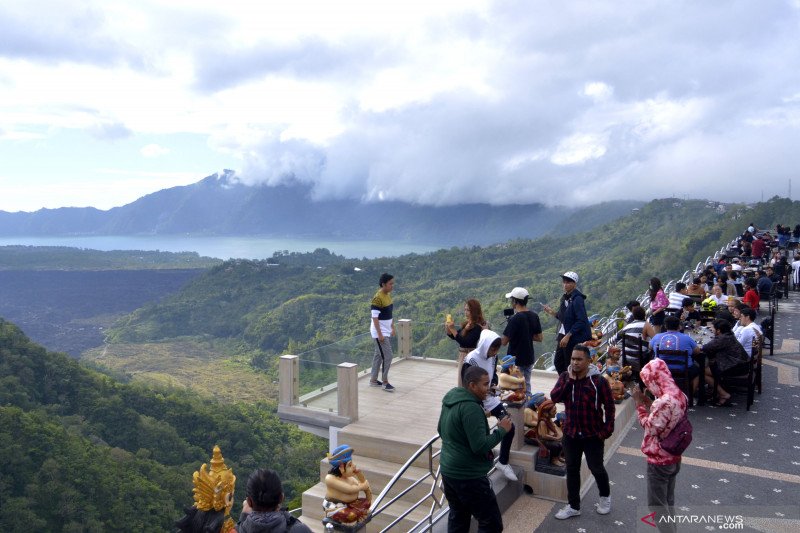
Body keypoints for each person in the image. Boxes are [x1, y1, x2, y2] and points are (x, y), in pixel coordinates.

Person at [438, 365, 513, 533]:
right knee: (491, 523)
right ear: (472, 385)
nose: (489, 388)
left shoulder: (451, 399)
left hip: (448, 471)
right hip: (468, 476)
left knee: (459, 516)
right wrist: (501, 430)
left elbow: (440, 430)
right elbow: (479, 446)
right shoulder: (471, 408)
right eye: (485, 384)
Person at [550, 345, 614, 520]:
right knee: (571, 469)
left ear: (588, 360)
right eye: (573, 359)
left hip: (592, 434)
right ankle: (573, 505)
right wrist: (570, 380)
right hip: (571, 433)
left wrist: (607, 430)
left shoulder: (599, 381)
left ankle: (605, 497)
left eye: (579, 359)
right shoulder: (565, 377)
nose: (575, 362)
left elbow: (609, 407)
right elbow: (555, 397)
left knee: (596, 468)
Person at [633, 358, 687, 533]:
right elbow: (666, 417)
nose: (648, 386)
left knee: (656, 507)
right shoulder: (679, 394)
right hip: (674, 457)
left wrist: (639, 406)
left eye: (648, 382)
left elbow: (651, 427)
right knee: (668, 502)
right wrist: (649, 403)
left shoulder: (663, 402)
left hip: (659, 460)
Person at [461, 329, 518, 481]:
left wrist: (493, 385)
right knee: (478, 433)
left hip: (490, 398)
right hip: (475, 400)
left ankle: (503, 462)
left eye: (497, 349)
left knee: (510, 426)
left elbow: (493, 376)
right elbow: (465, 383)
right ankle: (478, 465)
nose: (494, 352)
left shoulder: (493, 358)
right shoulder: (471, 359)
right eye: (493, 348)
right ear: (485, 345)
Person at [542, 271, 591, 375]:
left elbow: (581, 320)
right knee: (558, 362)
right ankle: (565, 383)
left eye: (568, 282)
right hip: (563, 335)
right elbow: (563, 317)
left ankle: (571, 385)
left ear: (574, 284)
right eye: (564, 282)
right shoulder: (565, 298)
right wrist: (551, 312)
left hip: (571, 337)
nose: (565, 284)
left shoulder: (577, 299)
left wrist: (568, 335)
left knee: (568, 363)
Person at [236, 469, 313, 533]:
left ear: (249, 502)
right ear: (281, 498)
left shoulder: (237, 530)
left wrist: (243, 517)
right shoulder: (300, 530)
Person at [500, 286, 543, 393]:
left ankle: (518, 408)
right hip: (529, 357)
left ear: (515, 301)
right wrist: (526, 333)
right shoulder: (534, 316)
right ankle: (527, 406)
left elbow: (504, 342)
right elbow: (539, 337)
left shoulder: (515, 319)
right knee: (526, 384)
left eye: (512, 300)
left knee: (515, 387)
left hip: (515, 360)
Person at [701, 319, 750, 407]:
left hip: (735, 367)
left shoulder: (723, 338)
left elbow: (706, 348)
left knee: (702, 371)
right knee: (709, 365)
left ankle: (723, 394)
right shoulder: (729, 335)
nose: (712, 329)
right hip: (740, 364)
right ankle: (713, 390)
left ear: (719, 330)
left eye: (713, 328)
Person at [649, 315, 701, 395]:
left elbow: (650, 347)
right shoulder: (686, 338)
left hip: (662, 369)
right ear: (679, 326)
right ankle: (689, 396)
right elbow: (697, 351)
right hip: (683, 369)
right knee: (698, 371)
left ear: (665, 326)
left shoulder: (657, 337)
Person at [323, 445, 372, 526]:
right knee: (350, 515)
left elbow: (364, 487)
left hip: (350, 505)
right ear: (341, 468)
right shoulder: (330, 478)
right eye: (350, 465)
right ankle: (335, 518)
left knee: (366, 503)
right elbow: (349, 489)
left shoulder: (349, 478)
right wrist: (362, 487)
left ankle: (358, 514)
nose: (354, 466)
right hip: (335, 507)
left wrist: (359, 475)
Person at [446, 299, 487, 386]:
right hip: (464, 355)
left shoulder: (478, 326)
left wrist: (453, 329)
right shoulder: (468, 324)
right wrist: (449, 329)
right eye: (465, 309)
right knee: (463, 381)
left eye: (468, 310)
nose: (466, 312)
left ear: (474, 311)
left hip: (469, 356)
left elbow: (465, 342)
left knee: (466, 383)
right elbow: (456, 337)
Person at [369, 273, 396, 392]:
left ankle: (373, 380)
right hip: (379, 332)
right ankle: (385, 382)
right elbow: (375, 318)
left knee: (378, 356)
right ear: (383, 284)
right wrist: (379, 334)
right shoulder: (377, 298)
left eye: (393, 283)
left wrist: (392, 327)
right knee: (388, 356)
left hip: (385, 330)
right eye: (390, 284)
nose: (392, 286)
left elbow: (389, 314)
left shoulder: (387, 296)